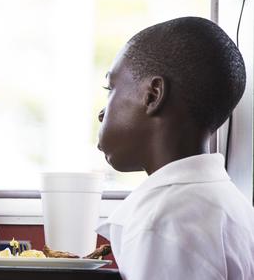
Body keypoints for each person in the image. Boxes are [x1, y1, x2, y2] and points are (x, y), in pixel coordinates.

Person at [95, 16, 254, 279]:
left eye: (110, 88)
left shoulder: (163, 221)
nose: (102, 113)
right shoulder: (232, 204)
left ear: (153, 95)